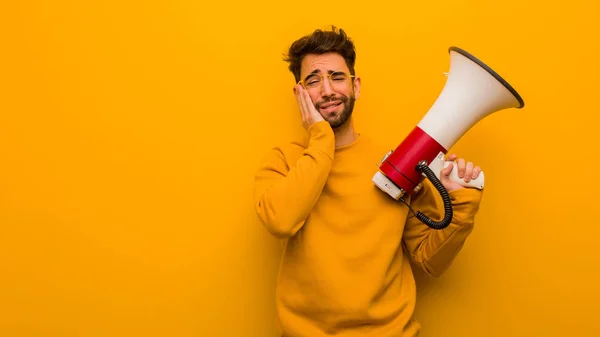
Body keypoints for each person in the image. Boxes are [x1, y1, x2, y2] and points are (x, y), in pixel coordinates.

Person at [253, 26, 484, 337]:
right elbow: (280, 221)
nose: (327, 90)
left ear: (356, 86)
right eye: (313, 81)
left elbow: (432, 262)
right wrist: (321, 137)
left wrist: (462, 205)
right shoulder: (282, 161)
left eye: (337, 77)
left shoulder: (395, 163)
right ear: (300, 94)